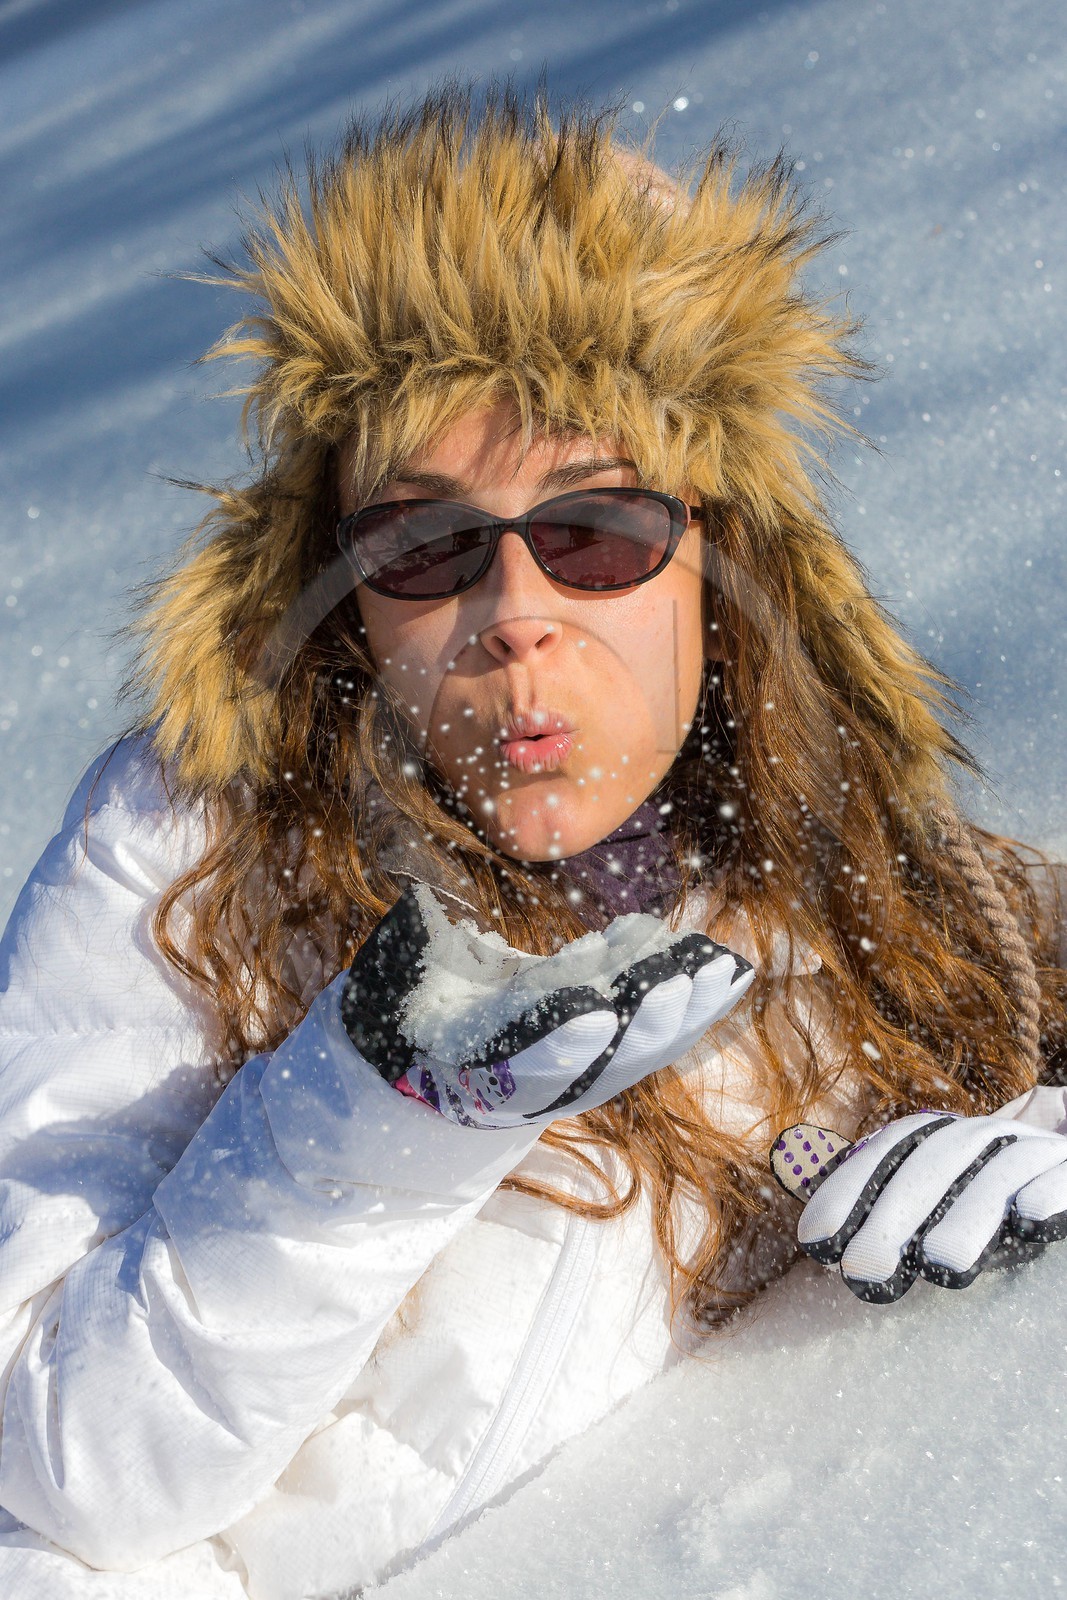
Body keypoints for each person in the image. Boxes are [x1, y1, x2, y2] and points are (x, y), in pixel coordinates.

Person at [0, 86, 1065, 1599]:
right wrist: (380, 1104)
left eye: (594, 534)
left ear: (722, 551)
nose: (513, 619)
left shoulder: (871, 901)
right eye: (427, 549)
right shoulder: (189, 862)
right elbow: (58, 1479)